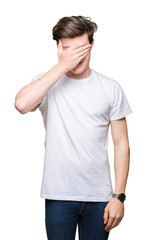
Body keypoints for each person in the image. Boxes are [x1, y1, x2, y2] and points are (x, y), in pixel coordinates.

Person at [15, 15, 132, 240]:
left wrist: (119, 196)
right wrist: (62, 65)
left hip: (100, 198)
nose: (76, 57)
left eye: (81, 49)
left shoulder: (110, 88)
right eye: (68, 49)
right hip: (59, 196)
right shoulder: (47, 82)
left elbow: (121, 144)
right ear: (58, 46)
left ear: (92, 45)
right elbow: (21, 104)